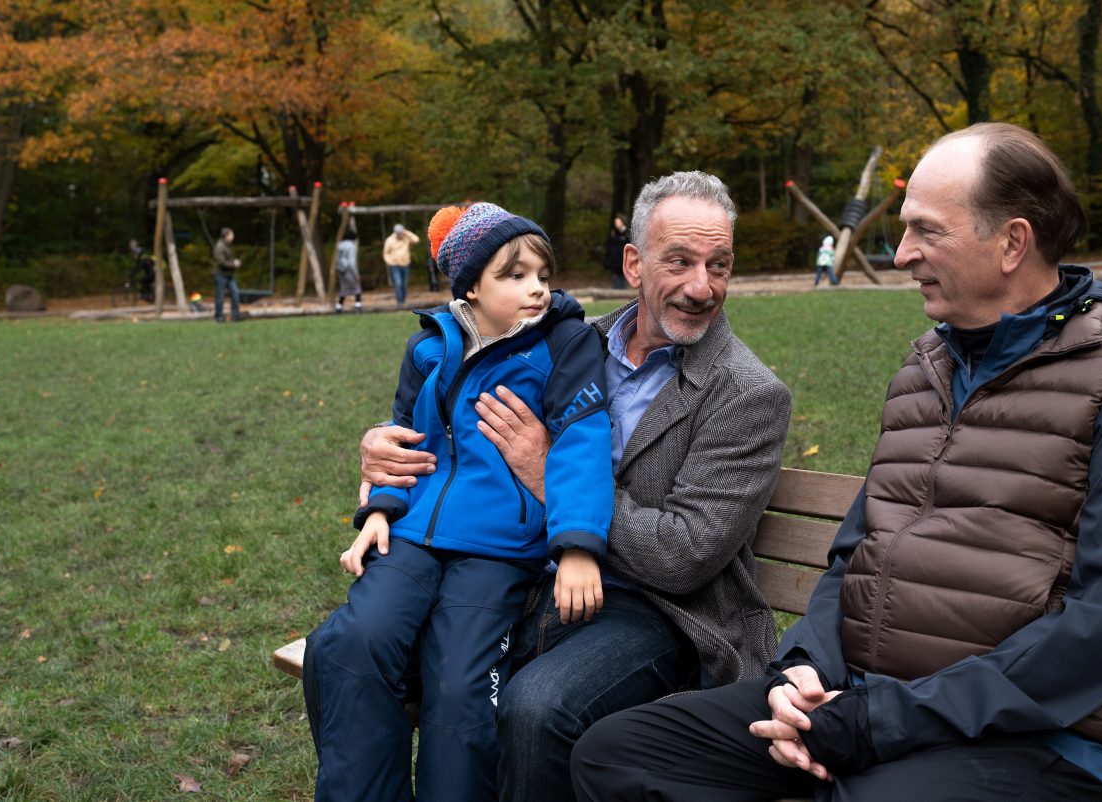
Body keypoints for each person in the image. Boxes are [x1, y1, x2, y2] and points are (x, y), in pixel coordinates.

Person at [570, 122, 1102, 802]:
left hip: (1034, 742)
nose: (903, 252)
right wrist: (805, 668)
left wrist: (875, 723)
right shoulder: (926, 368)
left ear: (1012, 242)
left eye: (927, 231)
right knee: (620, 756)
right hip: (863, 704)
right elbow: (857, 554)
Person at [358, 172, 793, 802]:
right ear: (633, 264)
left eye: (718, 265)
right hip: (530, 577)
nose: (702, 287)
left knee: (536, 707)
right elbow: (444, 411)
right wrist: (379, 446)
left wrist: (547, 475)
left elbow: (683, 556)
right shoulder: (564, 341)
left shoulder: (747, 394)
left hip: (664, 614)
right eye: (680, 261)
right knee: (352, 651)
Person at [303, 202, 616, 802]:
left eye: (543, 275)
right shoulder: (429, 349)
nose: (537, 290)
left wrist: (577, 545)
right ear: (471, 284)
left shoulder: (564, 345)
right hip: (413, 537)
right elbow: (402, 443)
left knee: (458, 683)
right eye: (515, 275)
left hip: (497, 550)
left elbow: (581, 443)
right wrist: (378, 512)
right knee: (350, 643)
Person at [383, 222, 420, 306]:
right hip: (395, 265)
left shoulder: (406, 237)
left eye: (401, 233)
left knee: (404, 284)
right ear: (396, 233)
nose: (400, 235)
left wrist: (407, 232)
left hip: (405, 264)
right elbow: (386, 253)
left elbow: (416, 240)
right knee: (398, 283)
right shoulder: (390, 240)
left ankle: (402, 301)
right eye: (398, 234)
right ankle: (399, 302)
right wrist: (389, 262)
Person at [212, 227, 243, 323]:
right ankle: (218, 316)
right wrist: (234, 264)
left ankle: (235, 314)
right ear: (226, 236)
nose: (233, 236)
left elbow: (228, 259)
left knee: (235, 294)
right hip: (220, 275)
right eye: (231, 234)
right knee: (220, 297)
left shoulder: (228, 245)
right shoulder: (219, 247)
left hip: (229, 275)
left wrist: (234, 261)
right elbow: (222, 262)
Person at [335, 224, 362, 313]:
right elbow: (352, 262)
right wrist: (356, 274)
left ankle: (338, 307)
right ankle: (358, 307)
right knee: (357, 288)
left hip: (340, 269)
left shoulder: (340, 245)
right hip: (348, 269)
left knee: (344, 288)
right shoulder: (351, 247)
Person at [604, 213, 629, 289]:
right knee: (615, 278)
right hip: (614, 262)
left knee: (623, 278)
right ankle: (615, 292)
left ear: (622, 222)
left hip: (624, 260)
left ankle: (623, 293)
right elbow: (608, 245)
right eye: (615, 223)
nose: (616, 224)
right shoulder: (613, 233)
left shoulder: (627, 233)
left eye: (618, 222)